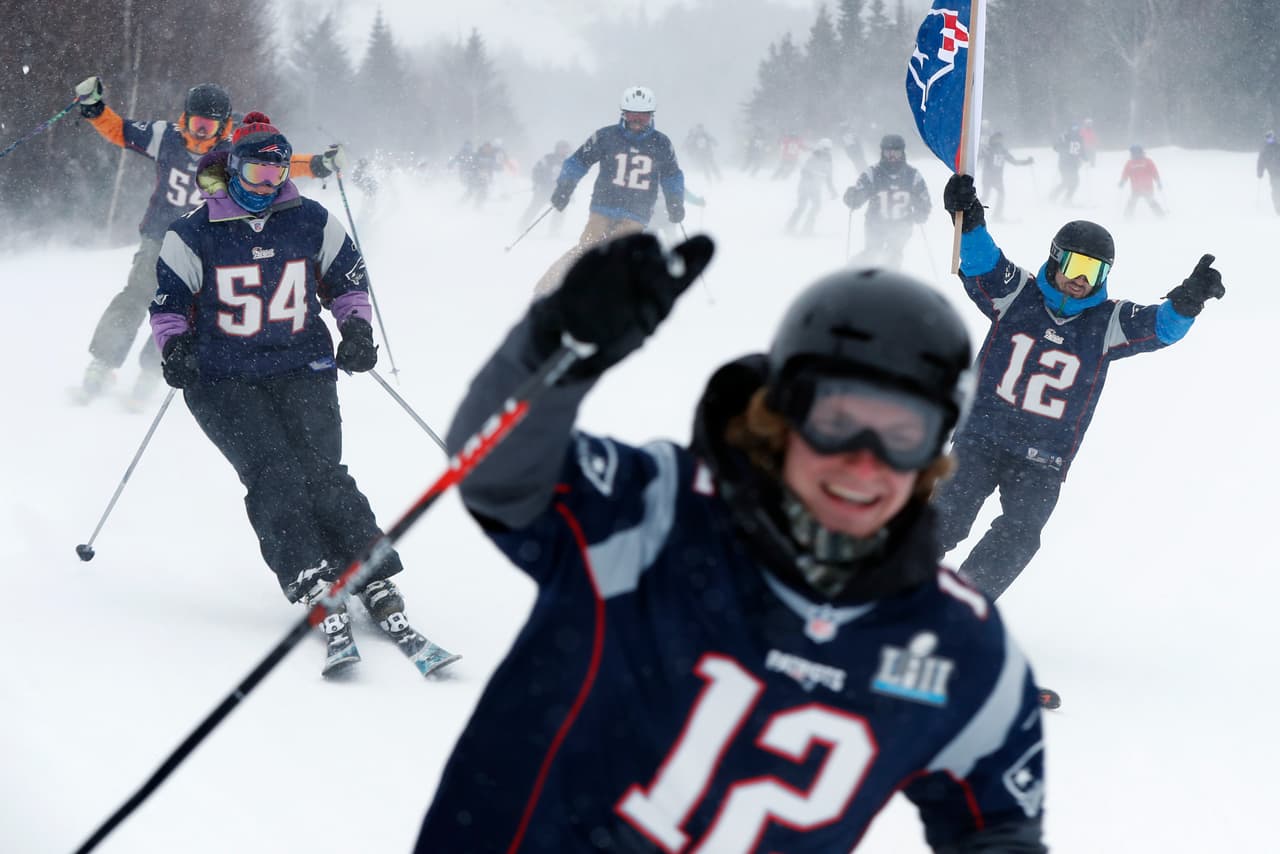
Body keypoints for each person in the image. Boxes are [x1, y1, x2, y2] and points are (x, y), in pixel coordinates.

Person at [417, 233, 1050, 851]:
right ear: (781, 415)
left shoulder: (963, 648)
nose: (865, 462)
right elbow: (495, 471)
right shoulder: (654, 517)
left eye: (902, 434)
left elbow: (1000, 826)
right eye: (836, 421)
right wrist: (553, 348)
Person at [148, 112, 455, 677]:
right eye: (256, 172)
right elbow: (167, 303)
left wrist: (357, 330)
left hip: (301, 365)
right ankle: (311, 574)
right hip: (222, 378)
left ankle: (366, 569)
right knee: (273, 470)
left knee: (321, 468)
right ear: (232, 167)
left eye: (277, 173)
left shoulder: (309, 219)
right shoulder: (193, 230)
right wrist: (175, 348)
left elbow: (348, 279)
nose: (267, 185)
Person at [936, 174, 1225, 599]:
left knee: (1021, 533)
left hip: (1043, 458)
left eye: (1095, 270)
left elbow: (1160, 328)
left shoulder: (1107, 322)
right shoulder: (1018, 294)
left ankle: (962, 602)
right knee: (945, 519)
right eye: (1075, 266)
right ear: (1055, 261)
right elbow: (982, 264)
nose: (1082, 279)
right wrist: (969, 220)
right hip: (981, 436)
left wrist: (1187, 303)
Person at [70, 76, 344, 408]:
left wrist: (318, 164)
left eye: (209, 125)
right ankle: (102, 362)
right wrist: (95, 108)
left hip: (207, 243)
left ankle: (151, 371)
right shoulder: (165, 136)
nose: (201, 132)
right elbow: (120, 131)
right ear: (186, 117)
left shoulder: (231, 150)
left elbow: (276, 165)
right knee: (138, 293)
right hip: (160, 234)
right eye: (197, 123)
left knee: (184, 310)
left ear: (224, 123)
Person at [532, 85, 685, 296]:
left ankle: (606, 296)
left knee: (621, 252)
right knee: (587, 249)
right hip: (604, 204)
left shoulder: (661, 143)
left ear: (651, 116)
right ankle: (548, 288)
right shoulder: (606, 136)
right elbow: (578, 161)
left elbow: (672, 175)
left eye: (644, 116)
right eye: (632, 114)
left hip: (637, 211)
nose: (637, 120)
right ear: (623, 113)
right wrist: (565, 187)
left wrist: (675, 199)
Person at [842, 133, 931, 268]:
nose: (892, 156)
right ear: (882, 152)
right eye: (888, 152)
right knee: (872, 253)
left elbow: (923, 199)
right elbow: (860, 193)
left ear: (902, 153)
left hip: (902, 225)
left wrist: (921, 211)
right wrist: (853, 197)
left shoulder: (912, 175)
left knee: (893, 255)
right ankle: (854, 272)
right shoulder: (873, 173)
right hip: (875, 224)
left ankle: (890, 284)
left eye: (896, 152)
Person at [785, 137, 837, 235]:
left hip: (815, 188)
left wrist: (832, 190)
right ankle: (789, 227)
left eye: (828, 149)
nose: (827, 151)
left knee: (816, 206)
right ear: (821, 147)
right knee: (802, 206)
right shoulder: (814, 156)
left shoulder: (828, 159)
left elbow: (828, 176)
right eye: (825, 149)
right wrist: (810, 174)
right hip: (805, 186)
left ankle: (807, 229)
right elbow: (804, 170)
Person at [978, 131, 1033, 220]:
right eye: (999, 138)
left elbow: (1014, 162)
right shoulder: (991, 149)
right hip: (990, 176)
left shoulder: (999, 150)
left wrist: (1027, 162)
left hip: (993, 177)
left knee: (996, 195)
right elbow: (979, 156)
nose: (1000, 140)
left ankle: (994, 215)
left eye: (1001, 139)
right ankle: (971, 212)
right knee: (988, 196)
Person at [520, 139, 571, 233]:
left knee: (560, 211)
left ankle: (554, 231)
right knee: (534, 208)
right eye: (562, 148)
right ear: (557, 148)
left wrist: (568, 190)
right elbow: (536, 170)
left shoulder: (569, 161)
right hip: (544, 189)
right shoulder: (548, 158)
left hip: (558, 191)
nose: (564, 150)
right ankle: (521, 227)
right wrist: (538, 183)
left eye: (565, 148)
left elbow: (571, 178)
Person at [1118, 144, 1164, 218]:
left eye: (1137, 152)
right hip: (1135, 188)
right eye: (1133, 152)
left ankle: (1161, 215)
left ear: (1141, 152)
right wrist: (1122, 181)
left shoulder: (1148, 161)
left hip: (1147, 187)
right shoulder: (1130, 163)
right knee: (1132, 202)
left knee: (1151, 201)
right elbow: (1125, 173)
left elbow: (1154, 172)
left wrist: (1158, 182)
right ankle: (1128, 217)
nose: (1135, 154)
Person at [1048, 124, 1085, 205]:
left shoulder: (1078, 139)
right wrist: (1061, 141)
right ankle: (1056, 197)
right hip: (1065, 164)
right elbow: (1056, 148)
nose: (1075, 132)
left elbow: (1081, 151)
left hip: (1073, 165)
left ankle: (1064, 198)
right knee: (1069, 182)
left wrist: (1085, 157)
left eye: (1077, 130)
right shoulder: (1066, 138)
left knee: (1072, 182)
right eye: (1074, 130)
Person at [1256, 130, 1280, 214]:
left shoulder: (1278, 147)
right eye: (1268, 139)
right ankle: (1278, 207)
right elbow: (1261, 162)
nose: (1270, 140)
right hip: (1274, 174)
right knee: (1276, 190)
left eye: (1271, 138)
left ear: (1274, 138)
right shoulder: (1265, 150)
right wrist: (1260, 172)